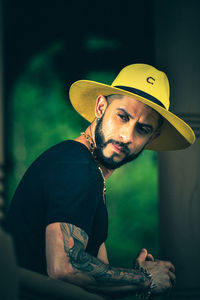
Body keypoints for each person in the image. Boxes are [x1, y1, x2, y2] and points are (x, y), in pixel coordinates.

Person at [5, 64, 195, 299]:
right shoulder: (76, 168)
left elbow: (94, 275)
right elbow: (65, 267)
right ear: (100, 107)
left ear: (152, 137)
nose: (127, 136)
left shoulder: (89, 171)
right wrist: (145, 279)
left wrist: (140, 282)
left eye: (142, 129)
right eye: (122, 116)